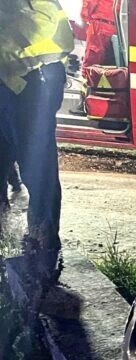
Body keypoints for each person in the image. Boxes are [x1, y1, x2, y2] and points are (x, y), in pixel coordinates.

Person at [0, 0, 74, 281]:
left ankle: (44, 251)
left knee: (38, 169)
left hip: (31, 81)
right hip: (14, 80)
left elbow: (38, 24)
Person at [80, 0, 115, 68]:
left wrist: (85, 17)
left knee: (92, 58)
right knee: (109, 62)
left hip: (99, 27)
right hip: (115, 27)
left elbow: (89, 4)